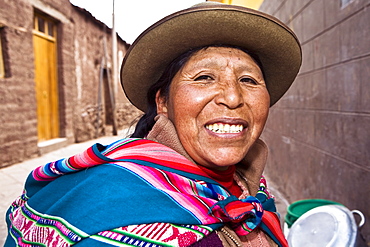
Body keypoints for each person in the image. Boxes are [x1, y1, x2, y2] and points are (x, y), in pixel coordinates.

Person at [5, 2, 301, 247]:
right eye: (204, 78)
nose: (233, 97)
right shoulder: (115, 207)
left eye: (249, 80)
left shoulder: (249, 185)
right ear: (163, 102)